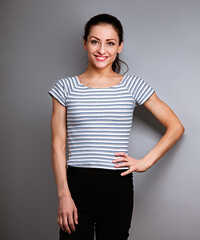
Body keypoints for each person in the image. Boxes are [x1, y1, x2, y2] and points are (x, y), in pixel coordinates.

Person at [48, 13, 185, 240]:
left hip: (116, 186)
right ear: (85, 43)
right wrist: (64, 194)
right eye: (95, 41)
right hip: (76, 185)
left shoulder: (132, 85)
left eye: (110, 43)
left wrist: (145, 162)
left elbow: (176, 127)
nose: (102, 50)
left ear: (120, 46)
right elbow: (57, 144)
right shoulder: (65, 87)